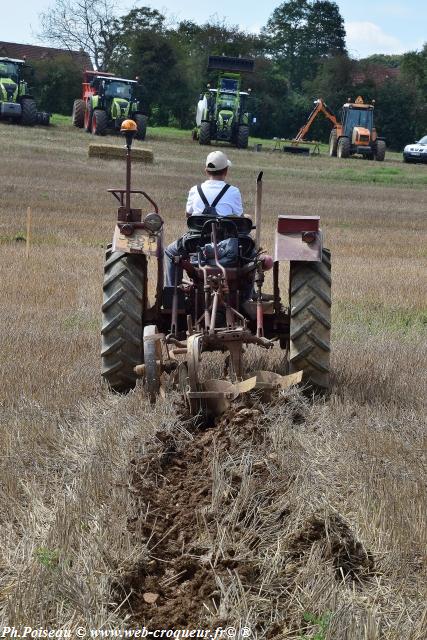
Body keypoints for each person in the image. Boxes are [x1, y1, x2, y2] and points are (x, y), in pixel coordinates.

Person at [165, 151, 243, 286]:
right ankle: (249, 294)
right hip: (224, 244)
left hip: (195, 243)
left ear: (206, 171)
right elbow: (239, 218)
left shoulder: (195, 190)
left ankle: (171, 293)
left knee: (170, 252)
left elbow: (188, 215)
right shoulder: (233, 191)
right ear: (226, 170)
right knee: (251, 257)